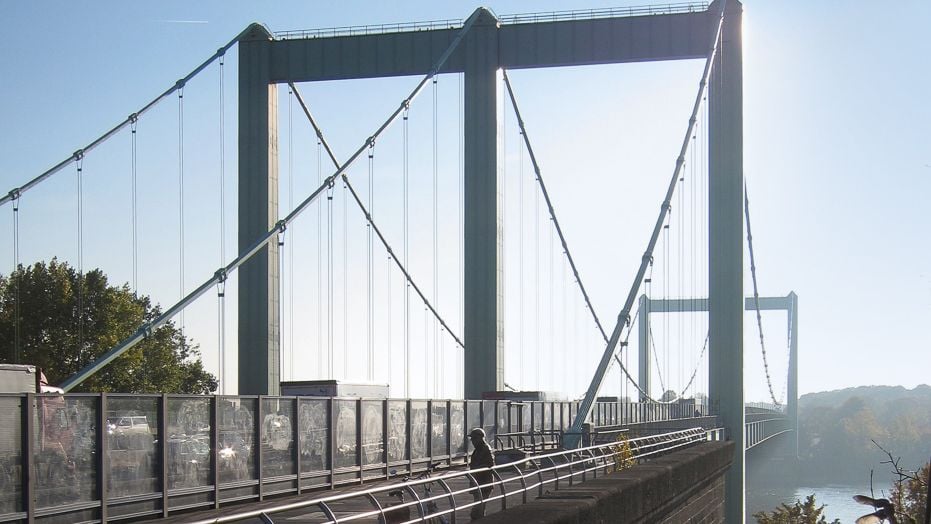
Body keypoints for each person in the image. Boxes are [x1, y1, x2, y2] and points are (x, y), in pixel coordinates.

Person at [468, 428, 495, 519]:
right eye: (472, 439)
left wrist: (477, 469)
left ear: (480, 438)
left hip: (484, 482)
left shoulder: (485, 449)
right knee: (479, 507)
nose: (472, 441)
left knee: (478, 509)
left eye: (474, 438)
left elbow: (490, 464)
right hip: (478, 482)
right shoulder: (477, 450)